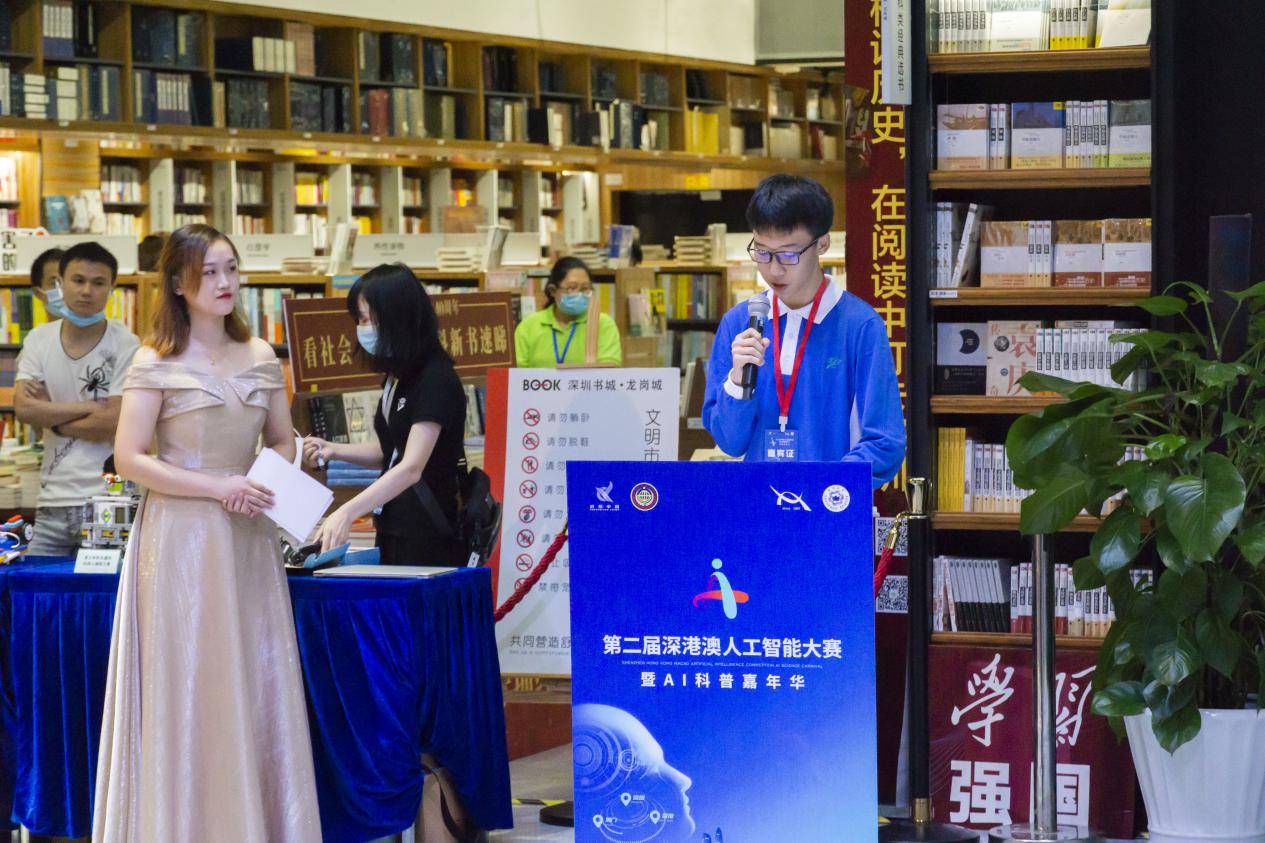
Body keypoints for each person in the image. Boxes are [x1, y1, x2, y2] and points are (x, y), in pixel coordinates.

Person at [93, 224, 320, 841]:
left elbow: (282, 439)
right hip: (180, 538)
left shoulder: (261, 355)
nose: (225, 283)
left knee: (253, 674)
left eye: (231, 269)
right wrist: (217, 487)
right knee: (189, 678)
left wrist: (259, 479)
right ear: (177, 282)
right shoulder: (153, 360)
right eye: (209, 272)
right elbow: (130, 459)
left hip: (248, 537)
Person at [702, 174, 905, 489]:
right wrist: (739, 381)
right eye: (762, 252)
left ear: (822, 243)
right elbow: (730, 442)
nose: (774, 269)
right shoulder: (739, 323)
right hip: (758, 505)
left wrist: (823, 488)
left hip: (830, 505)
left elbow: (885, 442)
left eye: (788, 254)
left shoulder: (860, 325)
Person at [303, 262, 470, 565]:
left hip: (427, 535)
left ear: (397, 317)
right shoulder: (397, 376)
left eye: (368, 319)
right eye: (359, 320)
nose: (362, 328)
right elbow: (391, 451)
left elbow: (411, 467)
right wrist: (335, 450)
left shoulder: (435, 378)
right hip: (394, 525)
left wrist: (347, 511)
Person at [15, 242, 139, 556]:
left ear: (111, 288)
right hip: (51, 500)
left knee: (106, 587)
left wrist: (53, 419)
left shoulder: (127, 344)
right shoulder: (38, 339)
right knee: (38, 584)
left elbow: (114, 420)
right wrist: (87, 407)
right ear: (61, 283)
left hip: (110, 498)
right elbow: (24, 408)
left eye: (98, 283)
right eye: (78, 280)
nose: (86, 291)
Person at [514, 256, 622, 367]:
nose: (579, 294)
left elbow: (609, 369)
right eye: (572, 288)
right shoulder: (529, 326)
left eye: (585, 288)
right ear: (553, 290)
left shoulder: (603, 323)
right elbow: (516, 370)